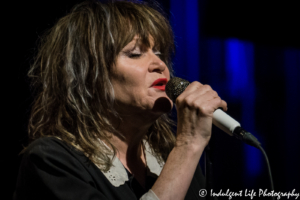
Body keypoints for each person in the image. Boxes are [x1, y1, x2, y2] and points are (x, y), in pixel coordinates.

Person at [14, 0, 227, 199]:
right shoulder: (51, 162)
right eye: (135, 54)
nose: (159, 64)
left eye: (160, 53)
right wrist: (188, 145)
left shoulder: (169, 156)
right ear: (89, 76)